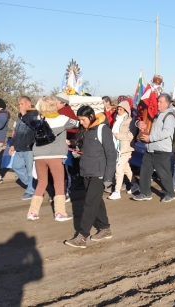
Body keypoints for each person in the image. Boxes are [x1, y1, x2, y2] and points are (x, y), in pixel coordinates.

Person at [64, 105, 118, 248]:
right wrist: (74, 145)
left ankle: (82, 236)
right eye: (79, 120)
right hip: (86, 172)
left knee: (88, 204)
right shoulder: (86, 131)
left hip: (99, 174)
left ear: (91, 116)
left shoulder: (103, 129)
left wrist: (108, 177)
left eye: (83, 119)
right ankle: (105, 229)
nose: (81, 122)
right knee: (96, 201)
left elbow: (112, 154)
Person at [27, 96, 78, 221]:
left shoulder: (37, 120)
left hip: (39, 155)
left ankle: (32, 212)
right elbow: (77, 123)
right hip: (55, 156)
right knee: (59, 183)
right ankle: (60, 213)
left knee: (41, 182)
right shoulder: (62, 119)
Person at [134, 93, 175, 203]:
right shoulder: (157, 114)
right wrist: (139, 123)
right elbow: (142, 120)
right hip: (150, 149)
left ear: (167, 104)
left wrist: (151, 138)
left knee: (164, 174)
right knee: (145, 171)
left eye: (160, 102)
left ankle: (170, 193)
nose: (157, 103)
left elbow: (167, 132)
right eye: (158, 101)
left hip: (161, 150)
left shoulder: (169, 116)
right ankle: (145, 193)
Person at [108, 100, 139, 199]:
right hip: (117, 147)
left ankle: (117, 191)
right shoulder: (117, 120)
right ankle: (135, 184)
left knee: (119, 169)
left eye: (121, 109)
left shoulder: (131, 121)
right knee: (126, 168)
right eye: (118, 109)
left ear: (126, 110)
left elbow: (130, 135)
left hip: (125, 148)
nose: (119, 111)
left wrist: (117, 135)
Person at [9, 96, 38, 199]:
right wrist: (12, 144)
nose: (20, 106)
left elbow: (34, 126)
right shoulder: (19, 116)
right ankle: (33, 184)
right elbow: (16, 131)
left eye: (22, 104)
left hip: (29, 147)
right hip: (19, 146)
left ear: (28, 104)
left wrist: (24, 114)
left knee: (30, 170)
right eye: (19, 104)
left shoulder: (35, 114)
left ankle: (31, 190)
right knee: (16, 166)